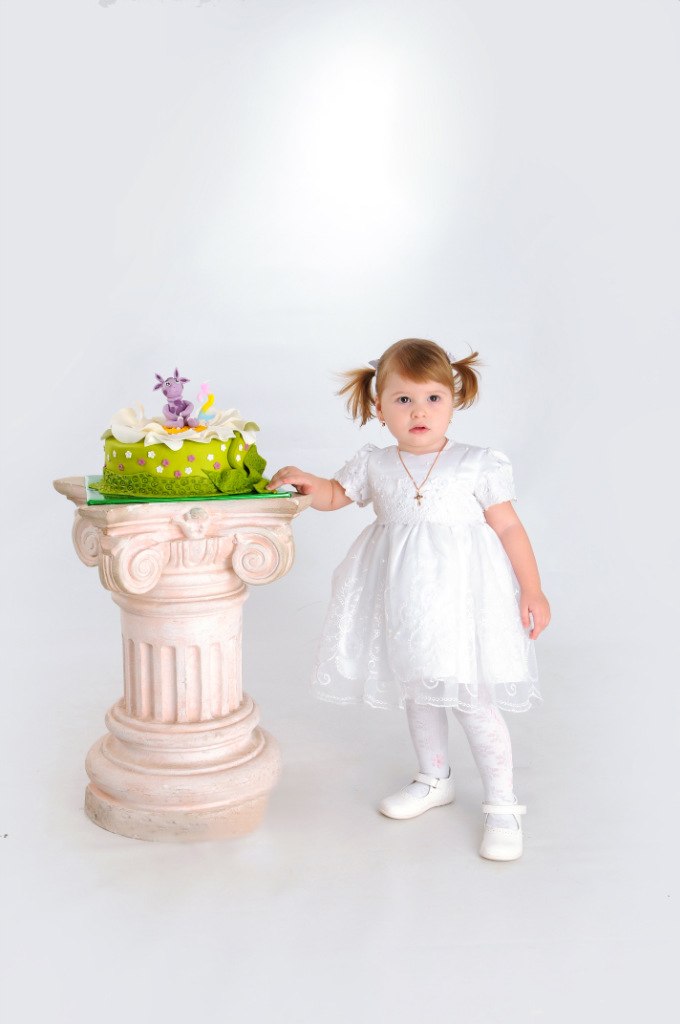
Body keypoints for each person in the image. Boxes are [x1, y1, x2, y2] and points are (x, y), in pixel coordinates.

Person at [265, 338, 551, 860]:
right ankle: (434, 777)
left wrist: (531, 589)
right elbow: (335, 495)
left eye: (432, 398)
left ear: (453, 401)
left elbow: (508, 526)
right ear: (379, 408)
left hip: (461, 604)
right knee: (417, 689)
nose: (419, 411)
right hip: (405, 601)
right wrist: (307, 483)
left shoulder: (476, 463)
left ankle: (503, 804)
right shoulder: (376, 464)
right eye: (403, 400)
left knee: (471, 699)